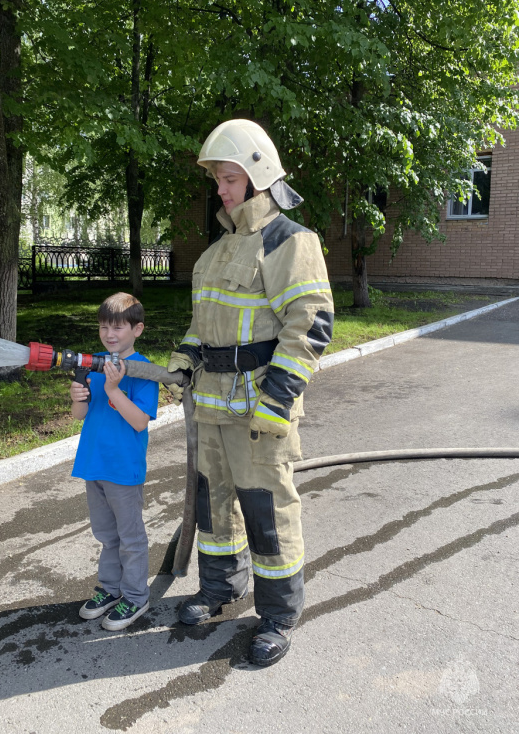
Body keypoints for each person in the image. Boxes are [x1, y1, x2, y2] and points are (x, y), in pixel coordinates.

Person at [167, 119, 334, 666]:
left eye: (229, 178)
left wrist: (279, 402)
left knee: (266, 511)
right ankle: (221, 588)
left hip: (260, 408)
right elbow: (204, 325)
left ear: (259, 176)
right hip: (211, 408)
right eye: (217, 178)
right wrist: (184, 358)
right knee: (213, 508)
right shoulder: (217, 251)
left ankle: (280, 614)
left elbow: (308, 326)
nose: (220, 188)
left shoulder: (291, 242)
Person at [71, 292, 159, 631]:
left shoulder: (142, 370)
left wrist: (113, 390)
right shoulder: (92, 365)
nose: (110, 334)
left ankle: (136, 596)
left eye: (118, 327)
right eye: (104, 326)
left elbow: (139, 421)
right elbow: (80, 415)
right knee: (107, 535)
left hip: (123, 469)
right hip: (94, 464)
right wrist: (77, 396)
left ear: (137, 329)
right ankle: (110, 589)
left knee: (130, 537)